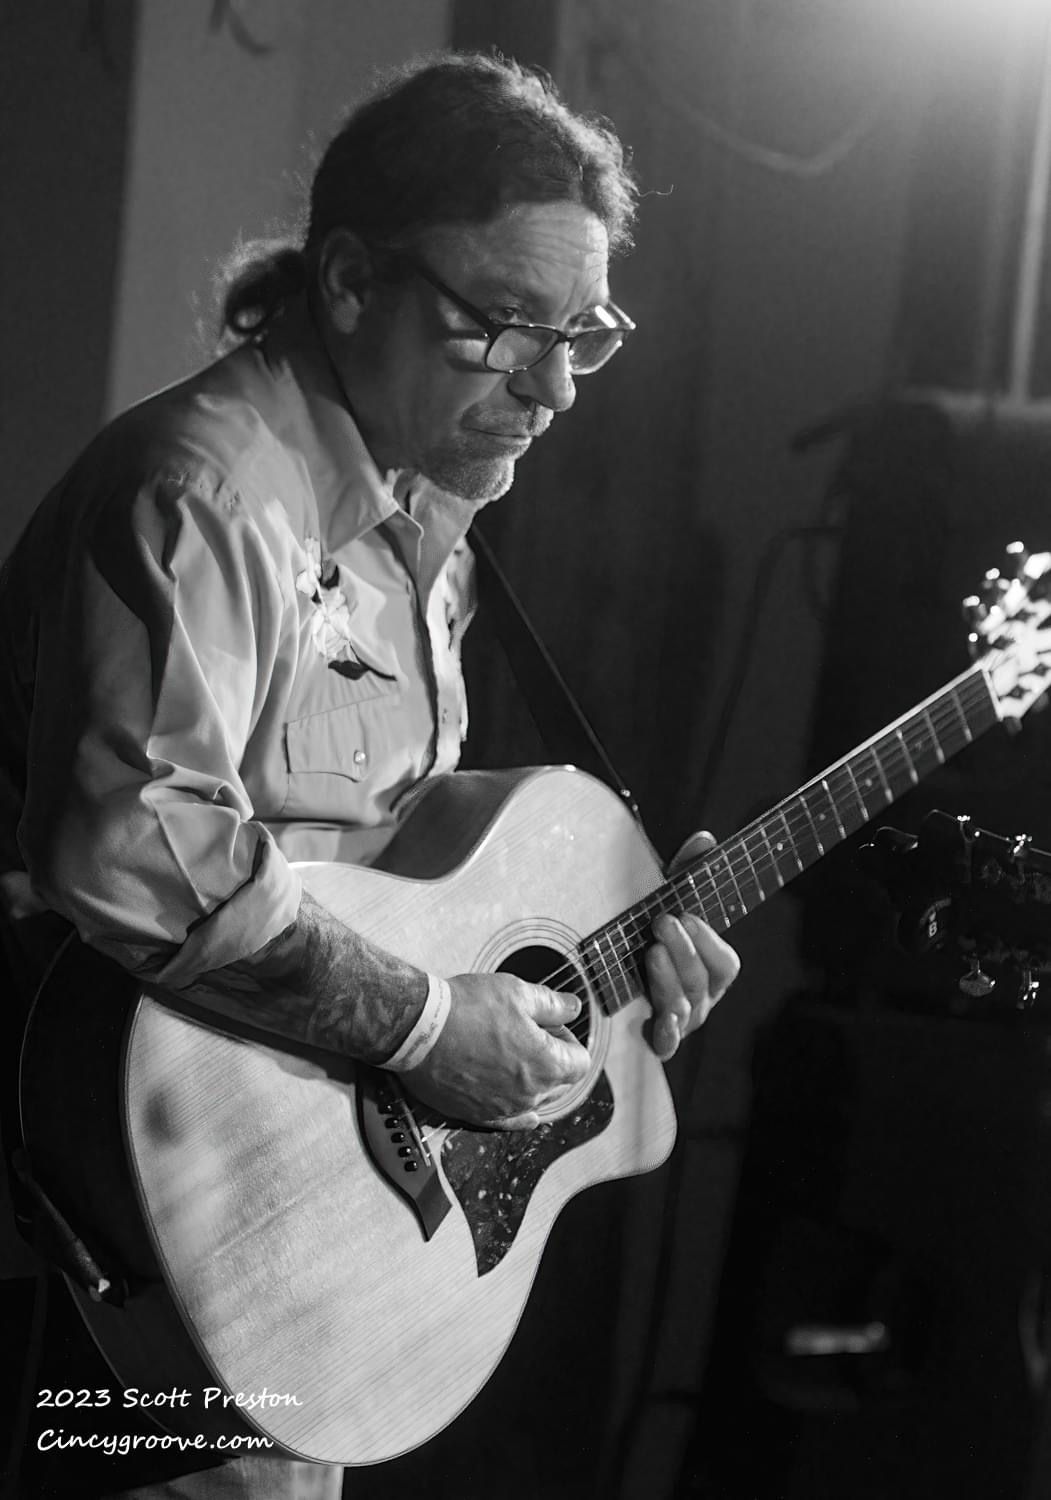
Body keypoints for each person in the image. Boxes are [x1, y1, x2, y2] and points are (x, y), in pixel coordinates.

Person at [0, 50, 740, 1500]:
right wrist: (424, 1026)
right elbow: (143, 859)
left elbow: (387, 862)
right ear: (349, 281)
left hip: (283, 1205)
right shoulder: (207, 495)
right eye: (504, 326)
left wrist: (614, 934)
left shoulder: (421, 518)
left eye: (583, 334)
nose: (553, 387)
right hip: (96, 1191)